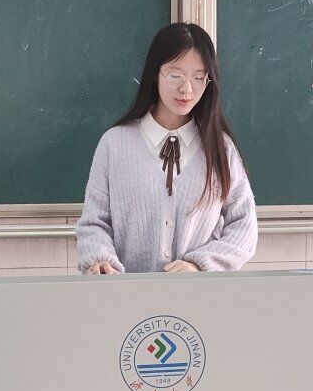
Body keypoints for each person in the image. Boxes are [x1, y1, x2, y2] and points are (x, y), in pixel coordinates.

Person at [77, 22, 258, 274]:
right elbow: (94, 222)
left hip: (198, 294)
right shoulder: (115, 144)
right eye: (175, 76)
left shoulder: (221, 148)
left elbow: (244, 225)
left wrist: (200, 264)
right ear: (155, 74)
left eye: (199, 78)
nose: (187, 89)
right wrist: (100, 259)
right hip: (127, 293)